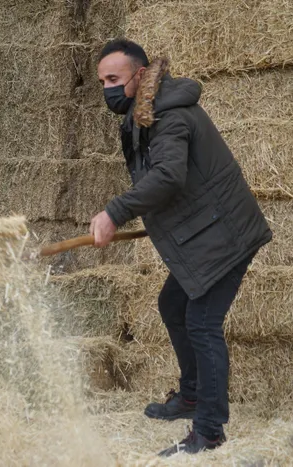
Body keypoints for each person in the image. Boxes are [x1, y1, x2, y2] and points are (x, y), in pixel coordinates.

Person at [89, 39, 272, 456]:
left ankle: (208, 432)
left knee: (202, 323)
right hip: (209, 229)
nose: (108, 89)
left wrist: (115, 212)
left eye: (114, 79)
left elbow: (169, 175)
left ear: (140, 75)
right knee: (173, 304)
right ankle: (191, 396)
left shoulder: (169, 114)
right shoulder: (146, 111)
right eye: (102, 82)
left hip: (225, 233)